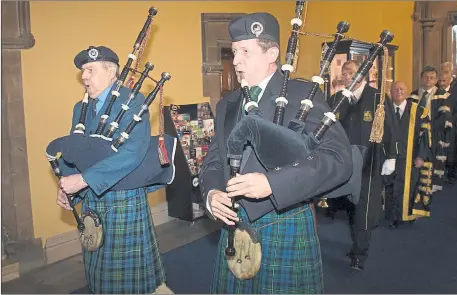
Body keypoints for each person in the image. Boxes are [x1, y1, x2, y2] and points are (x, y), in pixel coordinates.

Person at [199, 12, 352, 294]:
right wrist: (211, 194)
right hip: (234, 226)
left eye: (245, 51)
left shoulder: (302, 95)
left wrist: (273, 183)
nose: (235, 61)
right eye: (233, 52)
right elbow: (214, 161)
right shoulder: (227, 104)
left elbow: (338, 159)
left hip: (285, 222)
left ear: (272, 54)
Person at [56, 45, 171, 294]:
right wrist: (67, 186)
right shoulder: (80, 107)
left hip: (124, 197)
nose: (84, 76)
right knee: (98, 266)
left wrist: (84, 179)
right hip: (91, 198)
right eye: (83, 71)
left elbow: (132, 153)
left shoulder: (133, 101)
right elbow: (75, 149)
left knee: (129, 276)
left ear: (111, 73)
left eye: (90, 70)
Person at [325, 59, 396, 271]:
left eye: (352, 73)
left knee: (364, 207)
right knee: (349, 206)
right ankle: (357, 241)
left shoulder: (378, 99)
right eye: (345, 73)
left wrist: (391, 156)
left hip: (369, 162)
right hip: (344, 163)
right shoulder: (337, 99)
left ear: (363, 75)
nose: (348, 77)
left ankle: (360, 253)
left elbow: (390, 127)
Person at [384, 81, 433, 226]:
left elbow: (426, 135)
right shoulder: (385, 111)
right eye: (395, 89)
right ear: (390, 93)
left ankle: (407, 216)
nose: (398, 92)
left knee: (409, 186)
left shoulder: (418, 111)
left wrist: (421, 156)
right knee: (390, 185)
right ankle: (392, 216)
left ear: (406, 92)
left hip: (410, 156)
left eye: (401, 89)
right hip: (390, 157)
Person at [408, 66, 452, 192]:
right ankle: (416, 187)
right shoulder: (414, 95)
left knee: (432, 161)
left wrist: (429, 128)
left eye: (432, 77)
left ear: (436, 79)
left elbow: (444, 117)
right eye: (426, 77)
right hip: (416, 134)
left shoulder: (443, 96)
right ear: (421, 78)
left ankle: (430, 188)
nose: (428, 79)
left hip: (434, 133)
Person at [437, 70, 457, 184]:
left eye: (444, 81)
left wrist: (450, 120)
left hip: (453, 128)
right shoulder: (435, 92)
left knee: (453, 151)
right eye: (439, 80)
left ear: (450, 80)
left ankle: (452, 174)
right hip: (438, 127)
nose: (441, 83)